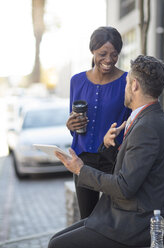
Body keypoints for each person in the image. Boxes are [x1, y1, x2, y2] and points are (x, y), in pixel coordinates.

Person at [49, 55, 164, 248]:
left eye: (125, 83)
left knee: (58, 245)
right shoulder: (145, 118)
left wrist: (80, 170)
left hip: (135, 224)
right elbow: (130, 169)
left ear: (134, 85)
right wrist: (108, 145)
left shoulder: (148, 127)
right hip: (119, 215)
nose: (124, 88)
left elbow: (124, 187)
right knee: (56, 240)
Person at [66, 26, 131, 219]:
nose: (109, 60)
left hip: (114, 160)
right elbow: (73, 123)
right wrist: (71, 126)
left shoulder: (128, 81)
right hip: (82, 160)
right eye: (103, 54)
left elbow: (133, 121)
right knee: (87, 218)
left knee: (115, 217)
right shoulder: (76, 81)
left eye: (114, 54)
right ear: (92, 51)